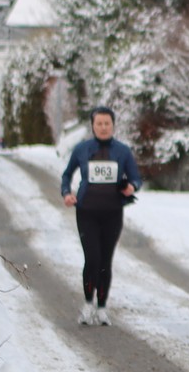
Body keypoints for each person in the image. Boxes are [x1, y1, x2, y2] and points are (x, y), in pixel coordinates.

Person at [60, 107, 142, 326]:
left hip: (112, 213)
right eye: (99, 124)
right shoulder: (82, 149)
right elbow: (67, 175)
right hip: (87, 212)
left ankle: (102, 307)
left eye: (107, 123)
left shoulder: (123, 151)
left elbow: (136, 178)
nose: (103, 128)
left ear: (113, 125)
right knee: (92, 259)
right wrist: (66, 193)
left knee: (105, 261)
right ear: (93, 126)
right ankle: (88, 304)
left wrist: (132, 187)